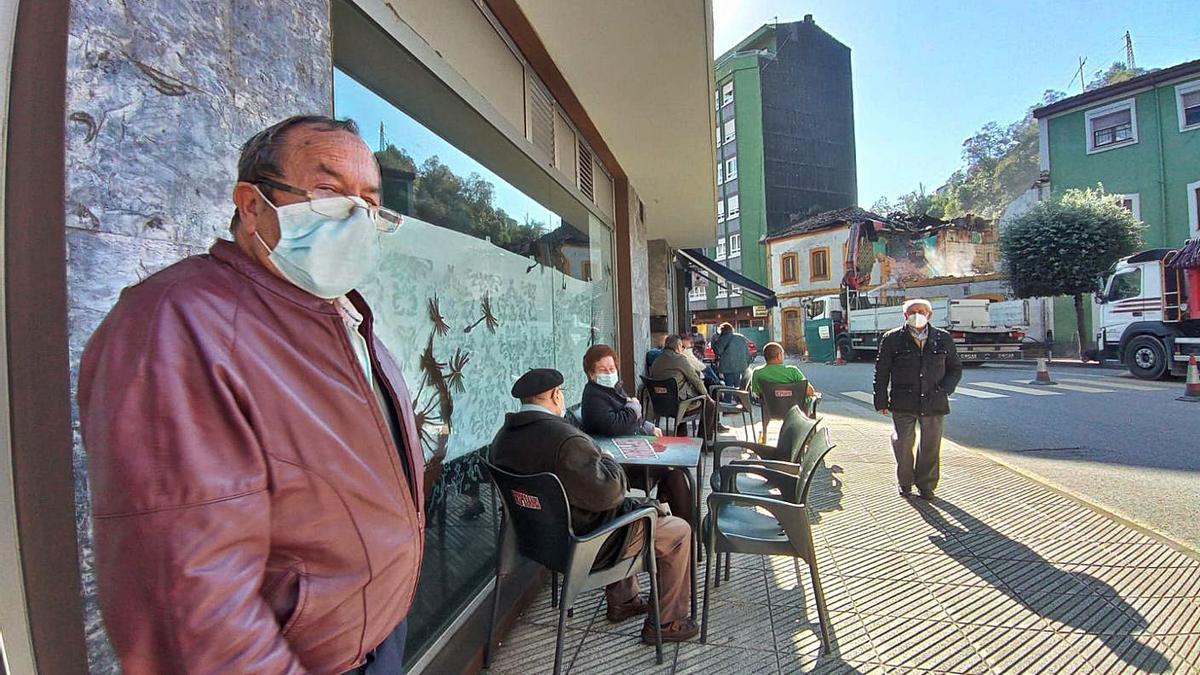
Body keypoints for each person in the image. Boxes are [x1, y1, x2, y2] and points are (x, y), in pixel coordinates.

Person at [77, 115, 422, 674]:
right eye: (329, 191)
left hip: (376, 633)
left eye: (369, 201)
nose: (356, 216)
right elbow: (189, 599)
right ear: (252, 204)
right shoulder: (177, 322)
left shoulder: (338, 313)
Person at [490, 369, 699, 643]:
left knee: (624, 508)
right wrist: (608, 459)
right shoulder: (565, 440)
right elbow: (610, 494)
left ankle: (624, 601)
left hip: (538, 541)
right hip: (586, 544)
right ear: (555, 395)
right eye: (561, 393)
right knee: (677, 530)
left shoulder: (502, 439)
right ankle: (668, 622)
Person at [579, 344, 693, 527]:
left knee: (674, 476)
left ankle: (680, 528)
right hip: (616, 466)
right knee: (674, 477)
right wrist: (634, 408)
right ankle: (685, 530)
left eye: (612, 368)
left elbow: (630, 417)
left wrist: (646, 426)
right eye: (603, 370)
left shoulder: (613, 389)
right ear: (592, 374)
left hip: (631, 454)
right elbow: (615, 425)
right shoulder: (593, 397)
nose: (609, 373)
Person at [873, 298, 963, 501]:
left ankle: (926, 485)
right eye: (912, 311)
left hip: (934, 400)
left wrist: (945, 390)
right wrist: (881, 400)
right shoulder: (892, 338)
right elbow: (881, 371)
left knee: (930, 445)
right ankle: (905, 482)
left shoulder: (943, 338)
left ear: (929, 314)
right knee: (903, 442)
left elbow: (955, 368)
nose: (917, 314)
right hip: (903, 400)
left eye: (921, 311)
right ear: (905, 315)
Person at [648, 334, 721, 437]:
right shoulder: (680, 359)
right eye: (681, 346)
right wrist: (708, 397)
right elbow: (696, 380)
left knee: (679, 394)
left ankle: (682, 435)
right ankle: (705, 440)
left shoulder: (656, 361)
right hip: (678, 405)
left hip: (660, 405)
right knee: (710, 404)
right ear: (678, 346)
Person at [750, 341, 817, 411]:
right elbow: (810, 391)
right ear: (779, 356)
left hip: (771, 409)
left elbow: (756, 393)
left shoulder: (757, 372)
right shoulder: (793, 371)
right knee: (814, 397)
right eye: (782, 354)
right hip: (796, 410)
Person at [711, 322, 752, 398]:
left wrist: (714, 342)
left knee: (729, 387)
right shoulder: (740, 337)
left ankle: (728, 404)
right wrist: (746, 364)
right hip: (741, 366)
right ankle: (740, 402)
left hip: (728, 367)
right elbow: (747, 353)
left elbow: (718, 351)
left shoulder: (722, 338)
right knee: (739, 386)